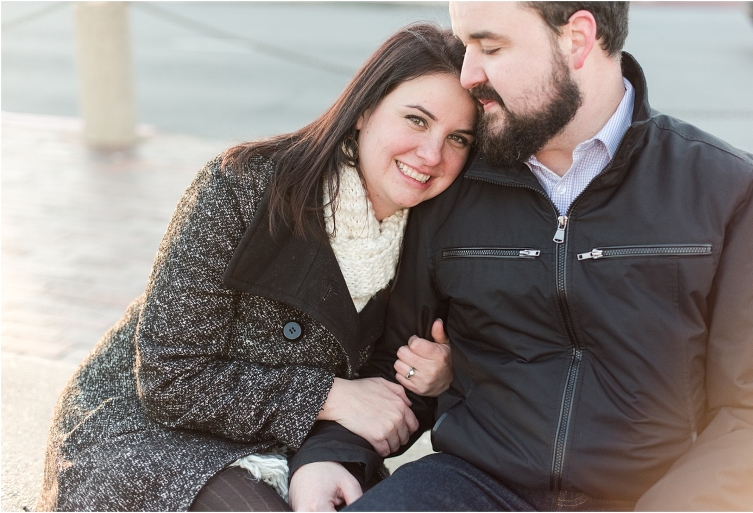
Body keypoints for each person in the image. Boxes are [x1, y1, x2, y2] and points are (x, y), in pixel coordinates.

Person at [288, 2, 753, 511]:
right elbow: (400, 359)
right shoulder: (452, 181)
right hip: (470, 486)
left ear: (577, 39)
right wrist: (332, 456)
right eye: (465, 47)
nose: (467, 75)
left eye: (490, 47)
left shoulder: (726, 188)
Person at [36, 23, 477, 512]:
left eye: (458, 138)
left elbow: (386, 402)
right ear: (364, 109)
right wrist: (328, 397)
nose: (432, 154)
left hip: (297, 445)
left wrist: (435, 379)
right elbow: (168, 377)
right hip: (148, 429)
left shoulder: (436, 235)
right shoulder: (246, 186)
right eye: (416, 120)